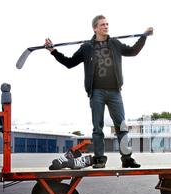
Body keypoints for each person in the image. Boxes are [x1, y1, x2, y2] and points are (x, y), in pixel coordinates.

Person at [45, 15, 153, 169]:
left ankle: (127, 159)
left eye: (107, 24)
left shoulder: (115, 43)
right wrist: (53, 51)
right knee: (98, 128)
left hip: (115, 91)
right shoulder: (87, 47)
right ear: (95, 28)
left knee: (121, 126)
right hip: (96, 92)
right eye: (102, 25)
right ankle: (99, 159)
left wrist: (144, 36)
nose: (106, 26)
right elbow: (69, 63)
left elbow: (133, 51)